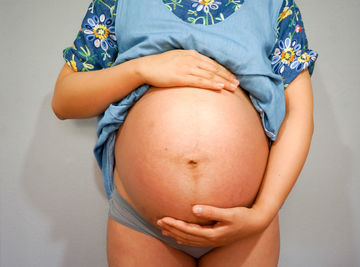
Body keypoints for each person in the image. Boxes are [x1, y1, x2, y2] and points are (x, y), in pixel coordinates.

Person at [52, 0, 318, 266]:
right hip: (143, 227)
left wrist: (262, 213)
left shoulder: (275, 5)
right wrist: (141, 69)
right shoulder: (118, 3)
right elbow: (64, 100)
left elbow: (300, 114)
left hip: (245, 227)